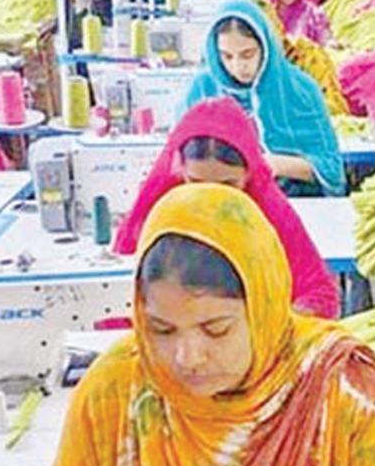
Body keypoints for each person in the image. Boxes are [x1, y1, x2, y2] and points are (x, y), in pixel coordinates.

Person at [18, 184, 375, 466]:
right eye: (162, 330)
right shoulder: (119, 387)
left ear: (262, 305)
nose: (188, 357)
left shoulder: (334, 383)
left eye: (216, 329)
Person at [115, 97, 341, 318]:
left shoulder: (268, 208)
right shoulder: (163, 206)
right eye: (197, 182)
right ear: (180, 168)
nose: (212, 197)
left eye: (228, 185)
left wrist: (271, 326)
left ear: (248, 174)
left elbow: (318, 291)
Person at [180, 0, 345, 197]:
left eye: (247, 54)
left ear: (265, 46)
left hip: (293, 200)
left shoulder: (301, 90)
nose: (238, 66)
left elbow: (331, 170)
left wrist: (276, 164)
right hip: (218, 201)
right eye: (227, 56)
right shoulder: (202, 91)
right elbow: (179, 162)